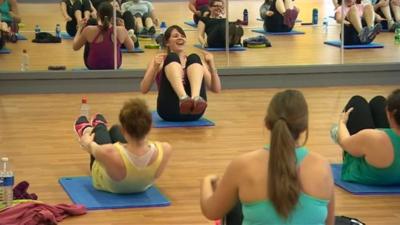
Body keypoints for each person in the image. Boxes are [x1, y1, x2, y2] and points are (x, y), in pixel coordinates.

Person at [200, 89, 335, 225]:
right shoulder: (323, 167)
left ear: (267, 123)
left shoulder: (243, 166)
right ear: (304, 126)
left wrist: (206, 182)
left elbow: (211, 211)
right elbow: (329, 222)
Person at [74, 98, 172, 193]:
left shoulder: (107, 152)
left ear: (123, 130)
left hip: (106, 184)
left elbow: (87, 144)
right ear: (150, 126)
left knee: (100, 130)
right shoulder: (165, 149)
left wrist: (86, 137)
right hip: (141, 187)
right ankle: (100, 126)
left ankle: (88, 128)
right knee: (115, 129)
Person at [140, 25, 221, 122]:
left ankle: (195, 98)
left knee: (194, 57)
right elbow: (144, 89)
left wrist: (211, 65)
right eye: (175, 36)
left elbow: (216, 89)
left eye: (182, 36)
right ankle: (183, 98)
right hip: (170, 111)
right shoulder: (160, 60)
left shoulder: (196, 62)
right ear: (167, 42)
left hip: (194, 113)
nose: (180, 38)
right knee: (172, 57)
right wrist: (155, 68)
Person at [333, 89, 400, 185]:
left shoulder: (371, 137)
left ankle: (338, 131)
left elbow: (344, 142)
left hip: (365, 174)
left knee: (357, 101)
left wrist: (342, 123)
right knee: (379, 101)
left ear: (390, 114)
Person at [72, 2, 134, 70]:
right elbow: (131, 48)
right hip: (114, 66)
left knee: (88, 39)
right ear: (113, 16)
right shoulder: (121, 30)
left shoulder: (88, 29)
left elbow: (75, 47)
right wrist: (124, 29)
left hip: (93, 66)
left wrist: (79, 29)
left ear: (98, 15)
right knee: (117, 43)